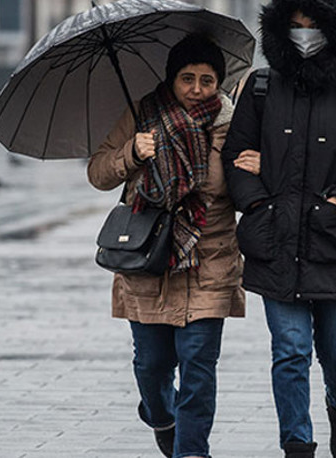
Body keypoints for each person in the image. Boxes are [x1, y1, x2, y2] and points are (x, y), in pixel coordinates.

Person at [221, 1, 336, 456]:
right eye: (295, 27)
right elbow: (236, 158)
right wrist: (259, 202)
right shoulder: (261, 87)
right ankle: (297, 444)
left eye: (313, 26)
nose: (304, 35)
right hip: (276, 243)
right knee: (291, 351)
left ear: (333, 29)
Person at [86, 35, 244, 458]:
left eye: (207, 80)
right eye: (187, 78)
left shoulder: (233, 123)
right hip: (148, 260)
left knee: (198, 368)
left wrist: (253, 169)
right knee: (151, 366)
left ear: (219, 82)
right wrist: (131, 153)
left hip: (209, 259)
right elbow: (98, 172)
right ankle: (161, 416)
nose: (196, 89)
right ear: (172, 79)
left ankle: (192, 451)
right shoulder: (142, 114)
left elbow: (244, 192)